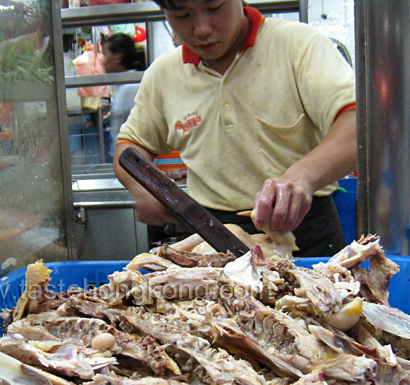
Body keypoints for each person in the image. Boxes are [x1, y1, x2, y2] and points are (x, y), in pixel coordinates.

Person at [113, 0, 357, 257]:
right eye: (181, 15)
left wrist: (302, 177)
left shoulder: (297, 45)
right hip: (211, 237)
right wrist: (142, 187)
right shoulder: (163, 75)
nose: (202, 29)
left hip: (306, 232)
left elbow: (357, 125)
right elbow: (129, 148)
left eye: (214, 8)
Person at [102, 33, 146, 158]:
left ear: (118, 57)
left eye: (105, 54)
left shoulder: (130, 89)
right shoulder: (124, 86)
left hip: (131, 158)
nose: (102, 61)